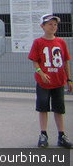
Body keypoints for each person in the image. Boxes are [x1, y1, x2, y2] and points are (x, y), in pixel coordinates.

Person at [28, 13, 73, 149]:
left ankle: (61, 135)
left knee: (59, 109)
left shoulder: (61, 42)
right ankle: (43, 134)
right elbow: (35, 61)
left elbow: (66, 62)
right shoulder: (38, 42)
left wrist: (69, 79)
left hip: (58, 81)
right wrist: (40, 73)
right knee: (43, 108)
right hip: (44, 83)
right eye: (50, 24)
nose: (53, 27)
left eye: (55, 24)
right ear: (43, 26)